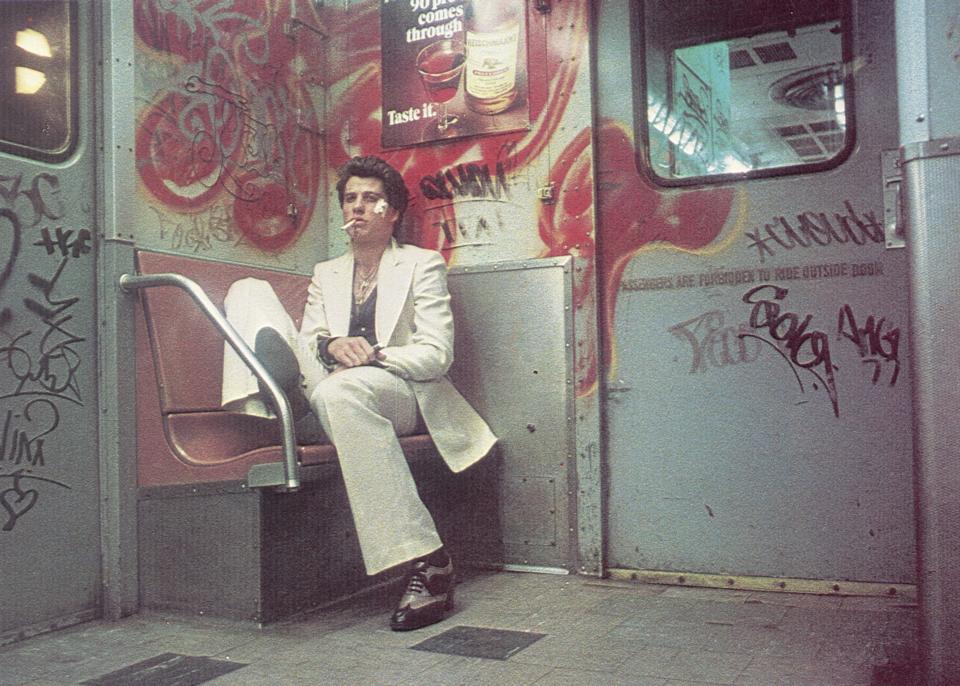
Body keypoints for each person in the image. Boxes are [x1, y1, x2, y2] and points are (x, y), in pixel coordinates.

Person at [220, 155, 496, 631]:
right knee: (248, 289)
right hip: (334, 386)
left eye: (371, 199)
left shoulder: (421, 264)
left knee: (341, 394)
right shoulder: (326, 272)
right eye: (350, 199)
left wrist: (373, 354)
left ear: (392, 213)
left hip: (402, 393)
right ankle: (278, 397)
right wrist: (329, 345)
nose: (358, 208)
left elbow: (435, 355)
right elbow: (311, 338)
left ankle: (429, 561)